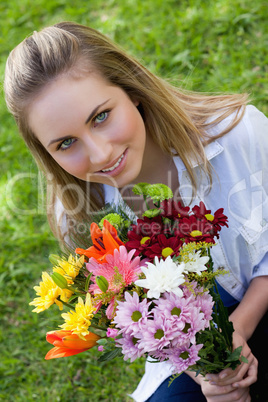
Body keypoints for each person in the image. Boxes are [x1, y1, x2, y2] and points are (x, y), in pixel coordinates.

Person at [4, 21, 268, 401]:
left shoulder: (238, 136)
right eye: (65, 143)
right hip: (188, 343)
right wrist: (208, 368)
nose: (100, 154)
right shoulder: (81, 214)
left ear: (133, 90)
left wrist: (238, 329)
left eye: (101, 116)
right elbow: (136, 318)